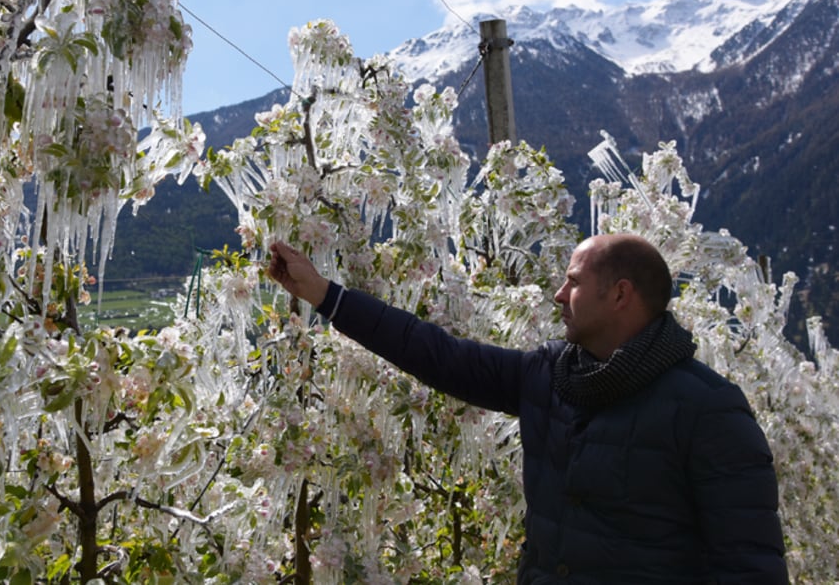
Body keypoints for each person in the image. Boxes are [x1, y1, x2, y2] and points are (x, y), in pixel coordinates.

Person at [267, 234, 788, 584]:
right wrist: (325, 295)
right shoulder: (551, 376)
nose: (559, 294)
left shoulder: (708, 409)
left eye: (574, 281)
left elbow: (750, 565)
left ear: (620, 295)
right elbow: (438, 355)